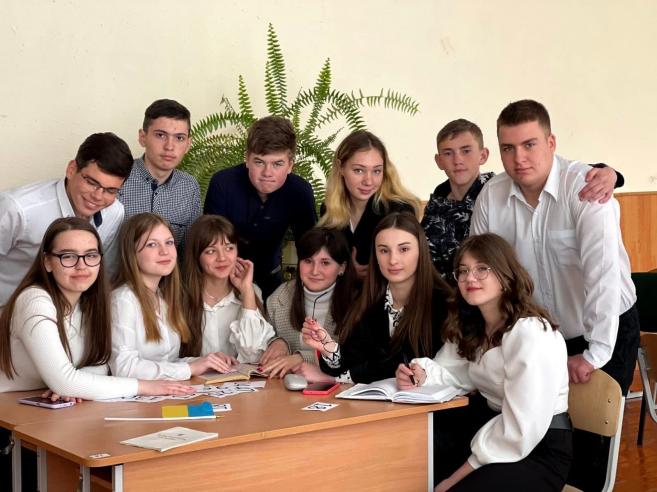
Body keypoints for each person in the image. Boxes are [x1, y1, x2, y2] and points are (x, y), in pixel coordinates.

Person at [470, 99, 639, 491]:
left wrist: (595, 353)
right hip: (540, 337)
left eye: (529, 144)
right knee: (543, 445)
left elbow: (603, 278)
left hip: (605, 327)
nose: (519, 158)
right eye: (508, 148)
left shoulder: (586, 189)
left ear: (551, 142)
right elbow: (481, 274)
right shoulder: (491, 197)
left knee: (591, 455)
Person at [397, 233, 571, 492]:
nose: (470, 278)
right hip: (490, 432)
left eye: (482, 269)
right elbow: (452, 372)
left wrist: (453, 480)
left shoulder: (530, 333)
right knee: (414, 464)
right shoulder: (474, 326)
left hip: (536, 447)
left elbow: (520, 431)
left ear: (505, 274)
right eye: (463, 271)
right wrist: (420, 374)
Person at [0, 217, 193, 398]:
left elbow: (102, 364)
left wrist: (77, 384)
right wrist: (145, 386)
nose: (81, 265)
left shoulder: (90, 302)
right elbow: (65, 382)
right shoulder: (34, 300)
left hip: (38, 403)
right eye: (68, 256)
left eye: (91, 255)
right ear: (47, 262)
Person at [422, 119, 623, 277]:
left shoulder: (496, 192)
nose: (458, 160)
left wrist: (611, 174)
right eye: (448, 153)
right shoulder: (435, 206)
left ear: (483, 155)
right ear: (439, 161)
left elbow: (557, 173)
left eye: (466, 151)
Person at [302, 212, 450, 384]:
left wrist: (335, 379)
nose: (393, 260)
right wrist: (329, 349)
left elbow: (404, 365)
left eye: (404, 249)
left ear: (421, 251)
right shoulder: (368, 300)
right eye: (384, 250)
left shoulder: (444, 303)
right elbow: (351, 360)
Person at [0, 132, 133, 306]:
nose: (98, 196)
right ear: (71, 169)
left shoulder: (115, 212)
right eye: (92, 183)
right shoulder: (18, 208)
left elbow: (104, 271)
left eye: (110, 190)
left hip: (70, 311)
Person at [204, 116, 317, 299]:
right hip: (224, 276)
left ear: (290, 165)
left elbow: (309, 248)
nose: (267, 173)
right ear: (247, 159)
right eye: (259, 162)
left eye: (277, 164)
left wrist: (305, 292)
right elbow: (210, 243)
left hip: (271, 278)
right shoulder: (223, 184)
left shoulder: (300, 191)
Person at [110, 213, 232, 380]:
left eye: (169, 242)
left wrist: (206, 361)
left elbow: (167, 362)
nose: (164, 251)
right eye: (152, 244)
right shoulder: (123, 300)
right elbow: (123, 367)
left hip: (165, 392)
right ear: (131, 252)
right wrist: (190, 368)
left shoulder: (163, 297)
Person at [319, 130, 420, 277]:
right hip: (341, 289)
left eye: (376, 171)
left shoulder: (399, 211)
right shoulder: (329, 209)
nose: (368, 181)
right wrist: (344, 270)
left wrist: (370, 273)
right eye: (359, 170)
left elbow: (408, 265)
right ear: (341, 168)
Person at [259, 227, 357, 378]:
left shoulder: (357, 303)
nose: (314, 271)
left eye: (325, 263)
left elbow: (355, 355)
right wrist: (277, 341)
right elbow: (262, 336)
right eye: (308, 261)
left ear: (342, 268)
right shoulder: (280, 297)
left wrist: (302, 357)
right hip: (282, 385)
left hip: (336, 387)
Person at [180, 215, 274, 364]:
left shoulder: (251, 292)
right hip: (192, 378)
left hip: (239, 378)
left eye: (229, 248)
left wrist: (247, 291)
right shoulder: (179, 296)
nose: (222, 258)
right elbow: (166, 358)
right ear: (196, 255)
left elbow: (253, 356)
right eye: (211, 251)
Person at [118, 99, 201, 252]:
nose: (169, 146)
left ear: (188, 144)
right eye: (161, 135)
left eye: (179, 138)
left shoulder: (189, 187)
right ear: (143, 137)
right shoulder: (119, 178)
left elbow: (189, 252)